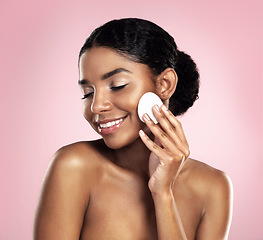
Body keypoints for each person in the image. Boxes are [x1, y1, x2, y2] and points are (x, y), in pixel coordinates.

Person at [34, 18, 233, 240]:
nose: (97, 105)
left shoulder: (214, 188)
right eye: (88, 92)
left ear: (165, 84)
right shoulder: (73, 166)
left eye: (117, 85)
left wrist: (163, 195)